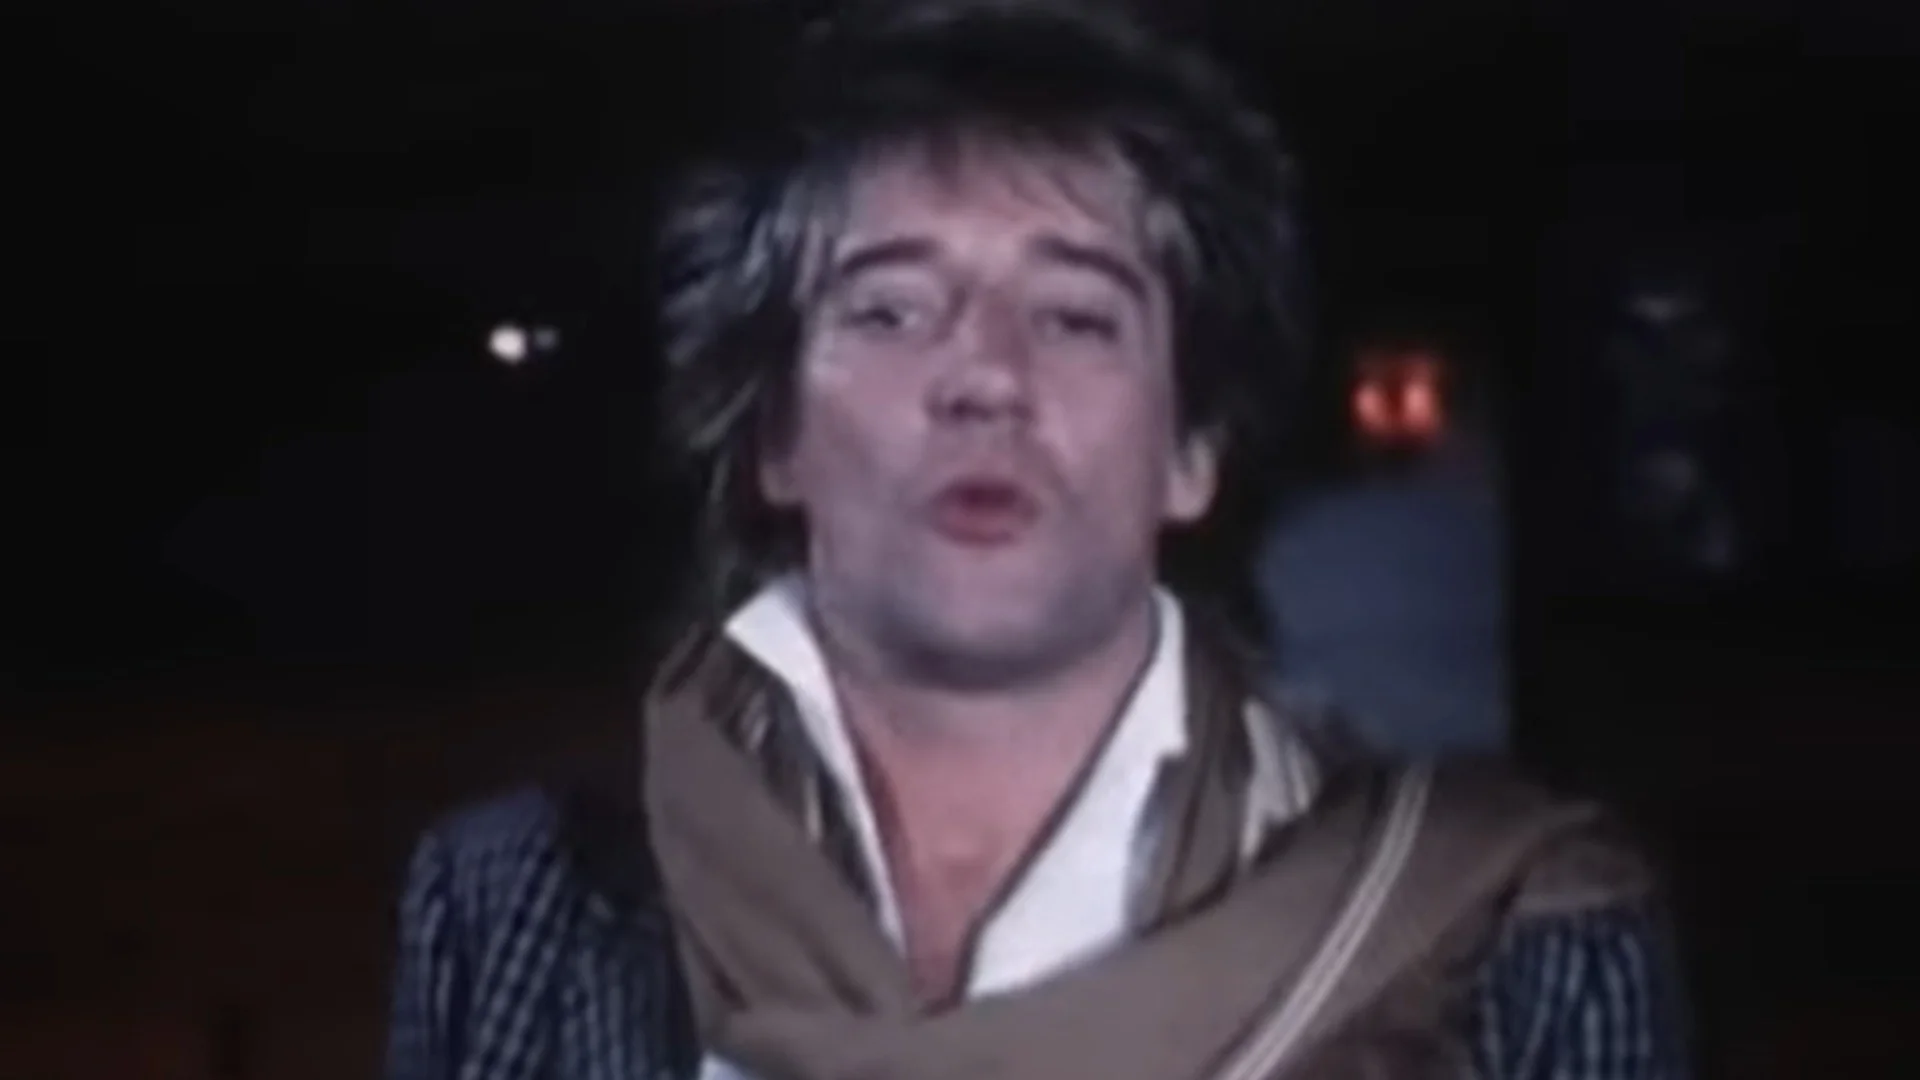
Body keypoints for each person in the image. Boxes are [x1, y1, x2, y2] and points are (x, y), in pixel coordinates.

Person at [386, 3, 1690, 1078]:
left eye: (1074, 317)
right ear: (774, 429)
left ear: (1191, 451)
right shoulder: (521, 911)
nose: (985, 379)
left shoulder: (1508, 936)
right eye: (892, 311)